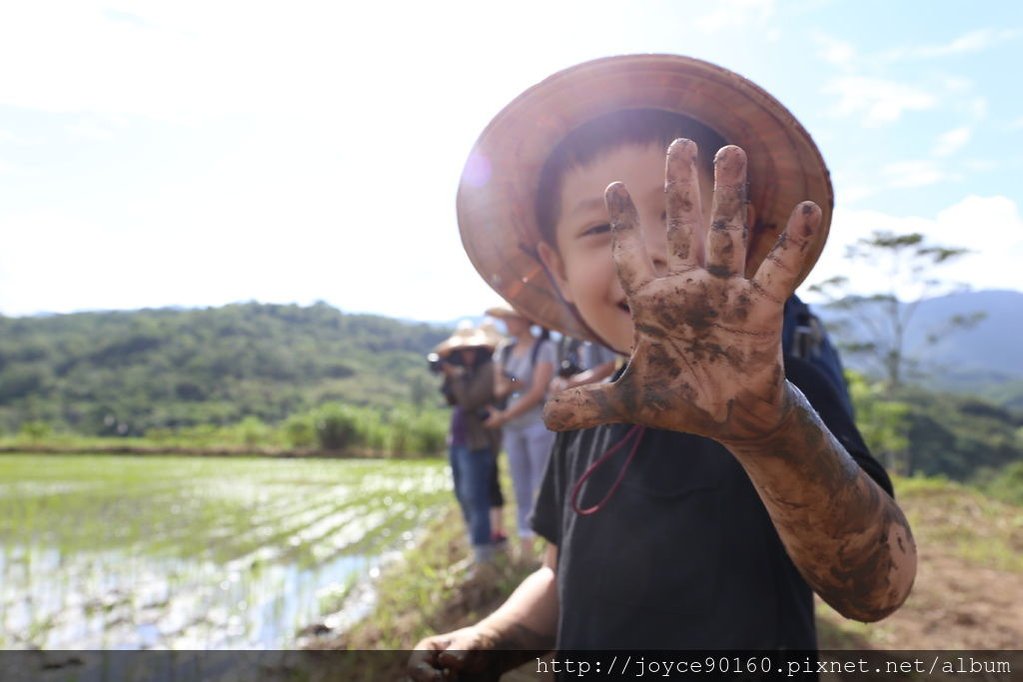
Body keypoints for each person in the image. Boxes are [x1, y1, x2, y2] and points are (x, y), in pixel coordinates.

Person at [409, 54, 916, 678]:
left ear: (743, 231)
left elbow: (877, 588)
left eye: (681, 214)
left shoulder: (780, 398)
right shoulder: (581, 410)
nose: (644, 252)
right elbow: (554, 575)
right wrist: (490, 638)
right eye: (600, 227)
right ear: (556, 265)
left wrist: (768, 431)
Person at [481, 304, 557, 560]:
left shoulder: (544, 348)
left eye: (510, 319)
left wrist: (505, 413)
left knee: (541, 482)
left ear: (525, 320)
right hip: (513, 427)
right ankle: (526, 545)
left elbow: (537, 391)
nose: (507, 325)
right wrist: (515, 383)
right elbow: (501, 388)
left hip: (537, 423)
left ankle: (550, 546)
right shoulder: (504, 350)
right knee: (519, 484)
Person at [434, 323, 503, 566]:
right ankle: (475, 545)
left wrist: (457, 377)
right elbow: (452, 400)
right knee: (463, 496)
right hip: (458, 440)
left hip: (478, 443)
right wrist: (450, 377)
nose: (467, 355)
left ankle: (484, 555)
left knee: (477, 498)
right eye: (463, 351)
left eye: (471, 350)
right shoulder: (464, 372)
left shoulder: (487, 369)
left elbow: (471, 400)